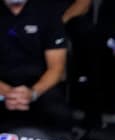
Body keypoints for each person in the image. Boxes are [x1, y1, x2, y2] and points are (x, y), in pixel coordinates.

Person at [0, 0, 73, 131]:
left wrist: (32, 93)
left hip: (39, 87)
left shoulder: (48, 12)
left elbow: (57, 69)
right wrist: (7, 93)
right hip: (2, 87)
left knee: (59, 115)